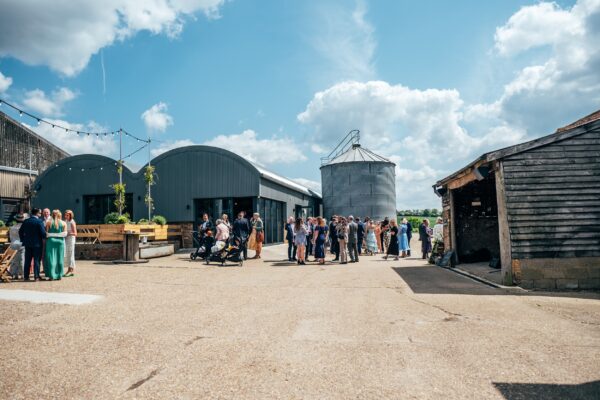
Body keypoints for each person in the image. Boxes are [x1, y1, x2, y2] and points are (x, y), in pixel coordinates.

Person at [19, 208, 46, 281]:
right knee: (37, 260)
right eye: (40, 213)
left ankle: (26, 276)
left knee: (27, 260)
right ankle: (36, 276)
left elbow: (20, 231)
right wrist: (44, 237)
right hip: (37, 244)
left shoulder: (26, 221)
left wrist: (23, 240)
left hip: (27, 243)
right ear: (37, 213)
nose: (40, 214)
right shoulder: (39, 221)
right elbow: (43, 233)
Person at [44, 209, 67, 280]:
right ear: (60, 214)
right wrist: (58, 234)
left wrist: (52, 234)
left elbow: (47, 234)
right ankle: (59, 275)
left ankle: (52, 275)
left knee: (51, 258)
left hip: (51, 241)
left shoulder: (48, 223)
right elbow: (65, 234)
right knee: (60, 258)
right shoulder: (63, 223)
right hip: (60, 242)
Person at [8, 213, 26, 279]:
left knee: (14, 259)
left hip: (13, 243)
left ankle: (14, 274)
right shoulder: (24, 227)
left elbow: (10, 237)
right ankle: (23, 274)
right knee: (22, 259)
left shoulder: (12, 227)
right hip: (21, 244)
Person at [63, 210, 77, 277]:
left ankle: (70, 270)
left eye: (67, 215)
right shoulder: (65, 221)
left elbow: (75, 233)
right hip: (66, 239)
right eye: (65, 215)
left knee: (71, 255)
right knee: (68, 255)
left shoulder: (72, 222)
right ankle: (70, 270)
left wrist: (68, 233)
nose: (66, 216)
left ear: (70, 215)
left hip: (71, 240)